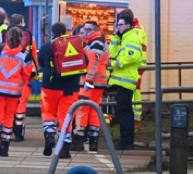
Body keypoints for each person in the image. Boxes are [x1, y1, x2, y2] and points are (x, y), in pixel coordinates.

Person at [38, 22, 86, 159]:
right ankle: (64, 149)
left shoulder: (47, 46)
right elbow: (85, 62)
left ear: (52, 32)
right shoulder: (76, 45)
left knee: (48, 112)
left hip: (50, 86)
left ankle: (49, 136)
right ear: (66, 31)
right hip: (70, 87)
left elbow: (41, 62)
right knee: (66, 118)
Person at [0, 28, 34, 157]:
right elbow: (27, 74)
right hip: (14, 91)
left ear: (7, 37)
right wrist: (21, 83)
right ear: (21, 38)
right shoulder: (25, 55)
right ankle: (5, 145)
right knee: (9, 116)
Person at [108, 11, 144, 150]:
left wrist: (116, 63)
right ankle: (125, 141)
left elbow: (131, 56)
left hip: (127, 80)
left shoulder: (132, 38)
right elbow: (113, 53)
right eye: (118, 25)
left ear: (129, 25)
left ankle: (126, 142)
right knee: (123, 112)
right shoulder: (124, 37)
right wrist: (116, 36)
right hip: (121, 81)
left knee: (125, 113)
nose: (119, 27)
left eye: (121, 25)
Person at [71, 21, 109, 153]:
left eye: (89, 29)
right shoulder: (98, 42)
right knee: (94, 110)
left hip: (91, 83)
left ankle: (78, 140)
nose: (86, 32)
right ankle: (93, 141)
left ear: (96, 30)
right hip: (98, 82)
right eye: (85, 29)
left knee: (82, 109)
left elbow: (93, 64)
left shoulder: (95, 43)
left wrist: (88, 81)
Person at [3, 14, 38, 142]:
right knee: (21, 103)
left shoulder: (5, 33)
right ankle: (19, 131)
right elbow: (34, 54)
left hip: (6, 75)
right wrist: (35, 70)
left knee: (8, 105)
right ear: (22, 22)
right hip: (23, 75)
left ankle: (7, 130)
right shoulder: (29, 35)